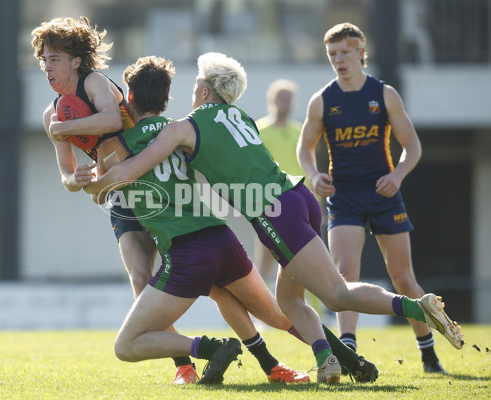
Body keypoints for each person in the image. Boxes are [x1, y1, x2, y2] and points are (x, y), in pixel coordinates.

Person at [83, 52, 464, 384]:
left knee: (336, 293)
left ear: (204, 91)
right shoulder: (242, 117)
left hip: (273, 213)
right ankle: (328, 360)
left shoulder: (187, 126)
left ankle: (417, 306)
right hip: (299, 198)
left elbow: (136, 167)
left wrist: (84, 179)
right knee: (289, 303)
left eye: (197, 82)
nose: (193, 89)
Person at [30, 17, 196, 383]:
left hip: (155, 187)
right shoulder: (51, 115)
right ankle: (185, 363)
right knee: (140, 280)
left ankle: (259, 349)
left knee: (209, 275)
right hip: (119, 194)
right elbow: (66, 175)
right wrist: (77, 178)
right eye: (44, 59)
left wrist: (65, 129)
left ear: (76, 60)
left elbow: (110, 120)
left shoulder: (94, 83)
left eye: (54, 58)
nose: (47, 67)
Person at [296, 22, 448, 374]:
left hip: (383, 195)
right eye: (332, 55)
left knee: (403, 279)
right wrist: (315, 175)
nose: (339, 60)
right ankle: (349, 348)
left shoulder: (384, 94)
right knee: (344, 275)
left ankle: (428, 353)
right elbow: (304, 148)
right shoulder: (322, 100)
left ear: (362, 52)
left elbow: (412, 147)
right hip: (344, 197)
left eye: (345, 53)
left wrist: (397, 175)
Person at [253, 79, 304, 286]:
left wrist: (315, 199)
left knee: (302, 257)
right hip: (268, 202)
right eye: (281, 97)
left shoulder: (299, 131)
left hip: (298, 201)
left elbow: (306, 167)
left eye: (289, 98)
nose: (285, 102)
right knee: (265, 260)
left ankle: (316, 312)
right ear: (272, 100)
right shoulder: (259, 130)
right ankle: (256, 312)